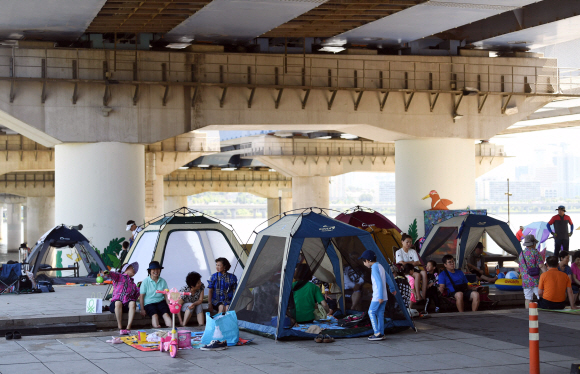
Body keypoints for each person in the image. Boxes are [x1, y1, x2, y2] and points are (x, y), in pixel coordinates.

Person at [359, 250, 396, 341]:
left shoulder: (374, 268)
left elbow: (379, 282)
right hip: (385, 295)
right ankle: (381, 333)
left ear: (367, 260)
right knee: (380, 314)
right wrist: (392, 288)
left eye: (364, 262)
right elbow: (388, 277)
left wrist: (379, 296)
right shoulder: (380, 266)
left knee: (371, 312)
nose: (364, 264)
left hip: (378, 296)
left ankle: (376, 333)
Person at [106, 262, 140, 335]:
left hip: (126, 304)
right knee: (118, 303)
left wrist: (140, 287)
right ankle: (120, 326)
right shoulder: (119, 276)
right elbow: (112, 275)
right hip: (115, 304)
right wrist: (107, 273)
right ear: (126, 269)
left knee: (133, 303)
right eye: (132, 268)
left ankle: (128, 327)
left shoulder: (133, 284)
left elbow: (136, 296)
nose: (134, 270)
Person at [139, 261, 172, 328]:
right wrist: (142, 309)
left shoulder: (163, 281)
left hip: (161, 302)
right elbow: (141, 296)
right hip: (149, 303)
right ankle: (156, 330)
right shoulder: (145, 281)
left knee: (166, 314)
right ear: (150, 271)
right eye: (153, 269)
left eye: (157, 269)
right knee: (155, 315)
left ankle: (171, 331)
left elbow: (166, 295)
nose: (156, 271)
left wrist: (169, 306)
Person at [396, 233, 427, 300]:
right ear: (402, 242)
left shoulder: (413, 251)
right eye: (407, 242)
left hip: (413, 268)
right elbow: (402, 263)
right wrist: (411, 262)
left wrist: (409, 263)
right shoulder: (399, 252)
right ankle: (418, 296)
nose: (409, 244)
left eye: (410, 242)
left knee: (424, 273)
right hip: (405, 270)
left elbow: (417, 262)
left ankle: (424, 295)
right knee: (417, 275)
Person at [519, 234, 547, 309]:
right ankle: (544, 313)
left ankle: (528, 314)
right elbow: (541, 266)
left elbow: (521, 268)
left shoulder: (521, 254)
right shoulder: (535, 252)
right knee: (541, 296)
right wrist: (547, 275)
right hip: (536, 280)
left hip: (526, 280)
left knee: (528, 298)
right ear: (533, 244)